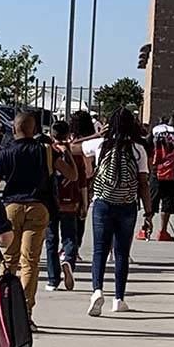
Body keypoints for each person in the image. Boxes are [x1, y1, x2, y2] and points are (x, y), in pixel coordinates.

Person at [0, 112, 76, 328]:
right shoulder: (45, 151)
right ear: (34, 129)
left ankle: (2, 311)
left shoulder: (6, 153)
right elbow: (72, 175)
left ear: (15, 129)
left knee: (9, 262)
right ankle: (25, 314)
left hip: (11, 208)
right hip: (38, 207)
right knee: (31, 261)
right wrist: (67, 154)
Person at [82, 107, 153, 316]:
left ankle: (97, 291)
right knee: (121, 253)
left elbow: (74, 145)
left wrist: (98, 134)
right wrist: (148, 213)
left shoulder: (101, 145)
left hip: (103, 203)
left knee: (99, 250)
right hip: (127, 205)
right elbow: (143, 184)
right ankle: (119, 299)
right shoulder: (138, 149)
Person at [45, 120, 88, 293]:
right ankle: (68, 260)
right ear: (68, 135)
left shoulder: (49, 153)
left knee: (51, 239)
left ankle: (52, 280)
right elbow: (82, 180)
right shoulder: (75, 155)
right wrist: (84, 203)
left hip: (52, 202)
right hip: (71, 201)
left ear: (51, 135)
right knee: (70, 237)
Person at [149, 107, 174, 242]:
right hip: (173, 170)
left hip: (157, 169)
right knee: (168, 200)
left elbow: (148, 143)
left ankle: (145, 228)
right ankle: (163, 231)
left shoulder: (157, 129)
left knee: (152, 199)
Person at [69, 110, 97, 258]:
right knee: (81, 216)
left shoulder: (70, 139)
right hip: (85, 180)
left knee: (68, 216)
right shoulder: (90, 142)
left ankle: (68, 247)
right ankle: (75, 248)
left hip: (69, 181)